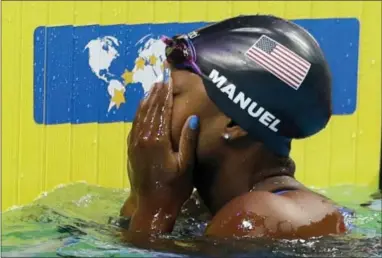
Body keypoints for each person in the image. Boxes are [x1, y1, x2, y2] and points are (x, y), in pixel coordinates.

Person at [119, 15, 351, 241]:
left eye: (174, 93)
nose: (153, 106)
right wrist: (142, 193)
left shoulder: (255, 217)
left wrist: (153, 212)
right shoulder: (200, 210)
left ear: (236, 122)